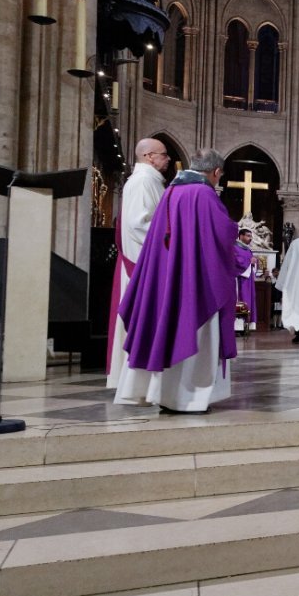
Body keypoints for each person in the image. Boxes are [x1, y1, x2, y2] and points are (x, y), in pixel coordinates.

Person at [113, 149, 241, 413]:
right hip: (197, 281)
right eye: (220, 176)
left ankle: (164, 395)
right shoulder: (204, 193)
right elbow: (221, 233)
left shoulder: (172, 190)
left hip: (172, 274)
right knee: (195, 332)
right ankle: (188, 398)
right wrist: (236, 238)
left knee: (168, 330)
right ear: (216, 172)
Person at [106, 137, 169, 388]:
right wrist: (168, 244)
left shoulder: (149, 181)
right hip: (141, 262)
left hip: (143, 259)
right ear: (149, 157)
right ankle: (134, 382)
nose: (167, 159)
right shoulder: (144, 181)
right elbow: (137, 224)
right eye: (163, 154)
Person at [233, 226, 258, 335]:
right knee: (240, 300)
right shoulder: (234, 247)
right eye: (248, 236)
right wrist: (249, 261)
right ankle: (237, 328)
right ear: (241, 236)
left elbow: (253, 264)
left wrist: (254, 262)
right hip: (239, 279)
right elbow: (236, 261)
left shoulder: (248, 249)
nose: (250, 238)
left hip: (248, 280)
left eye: (251, 236)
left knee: (248, 301)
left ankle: (245, 326)